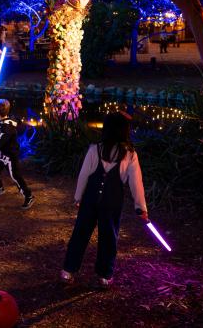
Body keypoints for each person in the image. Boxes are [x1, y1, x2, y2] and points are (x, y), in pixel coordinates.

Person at [60, 112, 149, 289]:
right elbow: (136, 183)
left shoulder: (95, 149)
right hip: (112, 202)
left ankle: (68, 271)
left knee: (80, 234)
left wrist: (78, 197)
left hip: (90, 200)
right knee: (109, 237)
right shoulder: (130, 155)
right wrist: (141, 208)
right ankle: (104, 276)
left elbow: (84, 175)